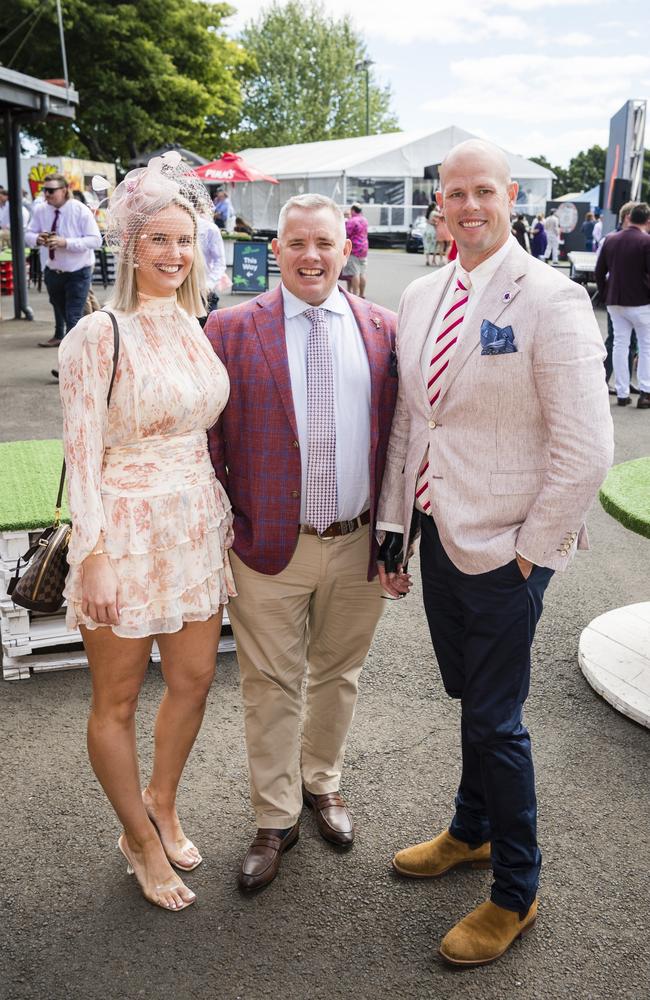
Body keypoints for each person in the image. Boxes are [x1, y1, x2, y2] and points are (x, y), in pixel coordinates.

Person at [376, 139, 613, 967]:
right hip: (441, 532)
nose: (468, 205)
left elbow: (587, 449)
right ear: (436, 202)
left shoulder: (551, 297)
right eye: (454, 193)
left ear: (510, 196)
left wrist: (529, 555)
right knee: (466, 691)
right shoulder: (420, 294)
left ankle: (517, 889)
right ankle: (472, 830)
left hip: (510, 545)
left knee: (494, 717)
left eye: (484, 190)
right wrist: (395, 529)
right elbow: (414, 420)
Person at [57, 153, 235, 912]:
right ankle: (136, 837)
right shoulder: (98, 333)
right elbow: (81, 452)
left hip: (194, 526)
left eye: (184, 240)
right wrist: (91, 553)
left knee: (194, 680)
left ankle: (163, 799)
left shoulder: (196, 326)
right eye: (157, 240)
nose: (173, 254)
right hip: (123, 534)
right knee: (118, 700)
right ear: (129, 247)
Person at [205, 193, 398, 892]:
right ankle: (275, 815)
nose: (310, 256)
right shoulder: (228, 329)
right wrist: (223, 525)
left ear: (345, 250)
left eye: (323, 243)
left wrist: (395, 538)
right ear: (275, 248)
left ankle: (323, 785)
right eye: (296, 243)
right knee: (268, 684)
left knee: (339, 675)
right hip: (264, 546)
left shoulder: (384, 328)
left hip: (357, 546)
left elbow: (400, 441)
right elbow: (207, 438)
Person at [25, 173, 102, 348]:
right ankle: (85, 353)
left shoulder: (79, 209)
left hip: (78, 271)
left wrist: (65, 242)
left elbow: (96, 240)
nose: (47, 194)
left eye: (51, 190)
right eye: (45, 190)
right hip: (53, 270)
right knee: (64, 313)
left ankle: (70, 368)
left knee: (73, 317)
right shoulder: (41, 210)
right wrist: (38, 238)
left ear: (65, 190)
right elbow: (28, 234)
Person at [595, 201, 650, 409]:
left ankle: (622, 392)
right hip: (641, 302)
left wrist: (605, 292)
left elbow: (599, 271)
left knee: (620, 344)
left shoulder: (610, 239)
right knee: (646, 346)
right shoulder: (646, 242)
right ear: (647, 220)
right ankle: (645, 392)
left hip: (615, 302)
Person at [600, 201, 639, 395]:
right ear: (628, 217)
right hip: (616, 298)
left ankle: (624, 382)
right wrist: (605, 292)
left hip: (633, 298)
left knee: (631, 342)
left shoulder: (640, 238)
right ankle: (603, 379)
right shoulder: (609, 239)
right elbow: (601, 270)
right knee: (614, 340)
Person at [197, 213, 228, 318]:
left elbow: (220, 261)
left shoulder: (208, 228)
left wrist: (209, 283)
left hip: (203, 290)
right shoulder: (174, 225)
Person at [344, 202, 369, 296]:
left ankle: (354, 295)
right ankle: (362, 294)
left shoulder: (352, 221)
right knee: (362, 273)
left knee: (355, 273)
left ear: (353, 210)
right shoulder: (365, 220)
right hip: (364, 249)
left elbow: (347, 233)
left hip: (354, 249)